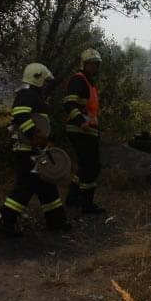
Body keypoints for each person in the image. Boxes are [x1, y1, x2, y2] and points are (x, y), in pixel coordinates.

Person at [0, 63, 71, 236]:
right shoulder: (27, 94)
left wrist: (45, 140)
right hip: (27, 151)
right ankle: (6, 222)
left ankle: (56, 221)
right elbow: (20, 115)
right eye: (45, 81)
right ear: (38, 79)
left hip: (36, 151)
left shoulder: (33, 96)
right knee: (25, 187)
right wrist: (34, 135)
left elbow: (38, 123)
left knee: (47, 186)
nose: (46, 85)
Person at [63, 48, 105, 214]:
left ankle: (73, 198)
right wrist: (81, 122)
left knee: (85, 166)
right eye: (91, 64)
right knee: (90, 167)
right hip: (80, 130)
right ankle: (87, 205)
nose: (94, 66)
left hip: (87, 131)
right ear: (84, 64)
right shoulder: (78, 80)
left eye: (96, 64)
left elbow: (89, 109)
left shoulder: (88, 82)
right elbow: (69, 104)